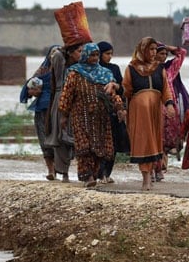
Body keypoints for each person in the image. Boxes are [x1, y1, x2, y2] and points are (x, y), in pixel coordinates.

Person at [58, 43, 126, 188]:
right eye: (92, 55)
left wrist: (120, 108)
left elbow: (112, 94)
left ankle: (94, 175)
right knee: (84, 147)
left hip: (101, 117)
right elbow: (67, 95)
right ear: (85, 55)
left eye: (96, 55)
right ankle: (87, 176)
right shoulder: (74, 73)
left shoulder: (105, 74)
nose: (95, 58)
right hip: (80, 116)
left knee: (99, 148)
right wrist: (63, 115)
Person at [122, 37, 176, 191]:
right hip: (139, 112)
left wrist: (169, 104)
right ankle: (145, 177)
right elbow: (126, 90)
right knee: (143, 141)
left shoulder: (160, 69)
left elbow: (165, 90)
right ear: (143, 50)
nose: (153, 53)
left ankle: (151, 174)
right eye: (150, 49)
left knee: (153, 141)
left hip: (155, 111)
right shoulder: (131, 68)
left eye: (155, 49)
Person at [45, 43, 83, 183]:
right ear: (70, 52)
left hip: (77, 102)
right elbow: (57, 56)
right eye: (79, 51)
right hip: (61, 101)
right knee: (61, 138)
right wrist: (64, 48)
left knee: (78, 137)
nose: (81, 54)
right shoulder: (61, 65)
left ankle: (84, 172)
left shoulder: (81, 67)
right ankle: (64, 172)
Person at [152, 42, 188, 182]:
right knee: (155, 138)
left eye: (165, 54)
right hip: (154, 104)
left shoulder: (170, 68)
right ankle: (156, 169)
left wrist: (166, 47)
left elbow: (182, 53)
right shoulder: (147, 68)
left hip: (169, 106)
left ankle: (160, 168)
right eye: (161, 53)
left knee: (166, 139)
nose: (164, 56)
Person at [20, 46, 57, 180]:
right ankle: (51, 170)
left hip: (59, 110)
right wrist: (34, 91)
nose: (55, 56)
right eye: (52, 54)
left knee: (60, 140)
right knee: (44, 140)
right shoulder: (42, 71)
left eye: (58, 53)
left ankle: (62, 170)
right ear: (48, 56)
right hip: (42, 111)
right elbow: (29, 88)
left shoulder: (65, 71)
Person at [96, 41, 130, 184]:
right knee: (101, 143)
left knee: (114, 143)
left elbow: (122, 89)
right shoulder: (93, 70)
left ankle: (107, 173)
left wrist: (122, 107)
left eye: (111, 54)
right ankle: (99, 174)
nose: (109, 57)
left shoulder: (114, 68)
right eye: (107, 54)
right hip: (98, 111)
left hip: (114, 110)